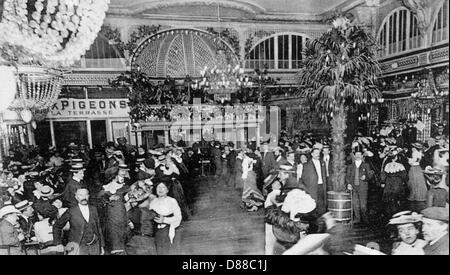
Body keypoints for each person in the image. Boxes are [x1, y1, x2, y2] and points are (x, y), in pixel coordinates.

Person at [53, 188, 105, 255]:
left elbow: (99, 228)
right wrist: (58, 243)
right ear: (76, 197)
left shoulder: (94, 209)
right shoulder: (71, 211)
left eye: (86, 195)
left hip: (95, 246)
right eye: (81, 195)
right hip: (78, 246)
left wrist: (101, 246)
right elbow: (57, 226)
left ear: (88, 196)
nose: (84, 197)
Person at [150, 181, 182, 255]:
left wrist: (164, 220)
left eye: (163, 187)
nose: (160, 189)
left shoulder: (172, 201)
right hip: (156, 232)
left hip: (168, 230)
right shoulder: (153, 202)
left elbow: (178, 217)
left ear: (167, 190)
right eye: (158, 187)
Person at [345, 149, 374, 225]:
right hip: (354, 188)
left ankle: (365, 220)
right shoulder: (350, 166)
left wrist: (366, 177)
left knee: (363, 205)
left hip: (363, 187)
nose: (358, 156)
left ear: (362, 156)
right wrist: (348, 184)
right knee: (355, 204)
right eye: (356, 155)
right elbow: (347, 176)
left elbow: (371, 175)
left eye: (359, 155)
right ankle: (357, 219)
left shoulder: (366, 165)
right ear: (354, 156)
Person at [300, 148, 328, 216]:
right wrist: (308, 188)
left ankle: (322, 222)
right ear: (312, 154)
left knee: (322, 204)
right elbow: (303, 178)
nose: (317, 155)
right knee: (314, 205)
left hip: (322, 186)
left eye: (318, 153)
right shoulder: (306, 165)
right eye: (316, 153)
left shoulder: (322, 163)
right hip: (312, 188)